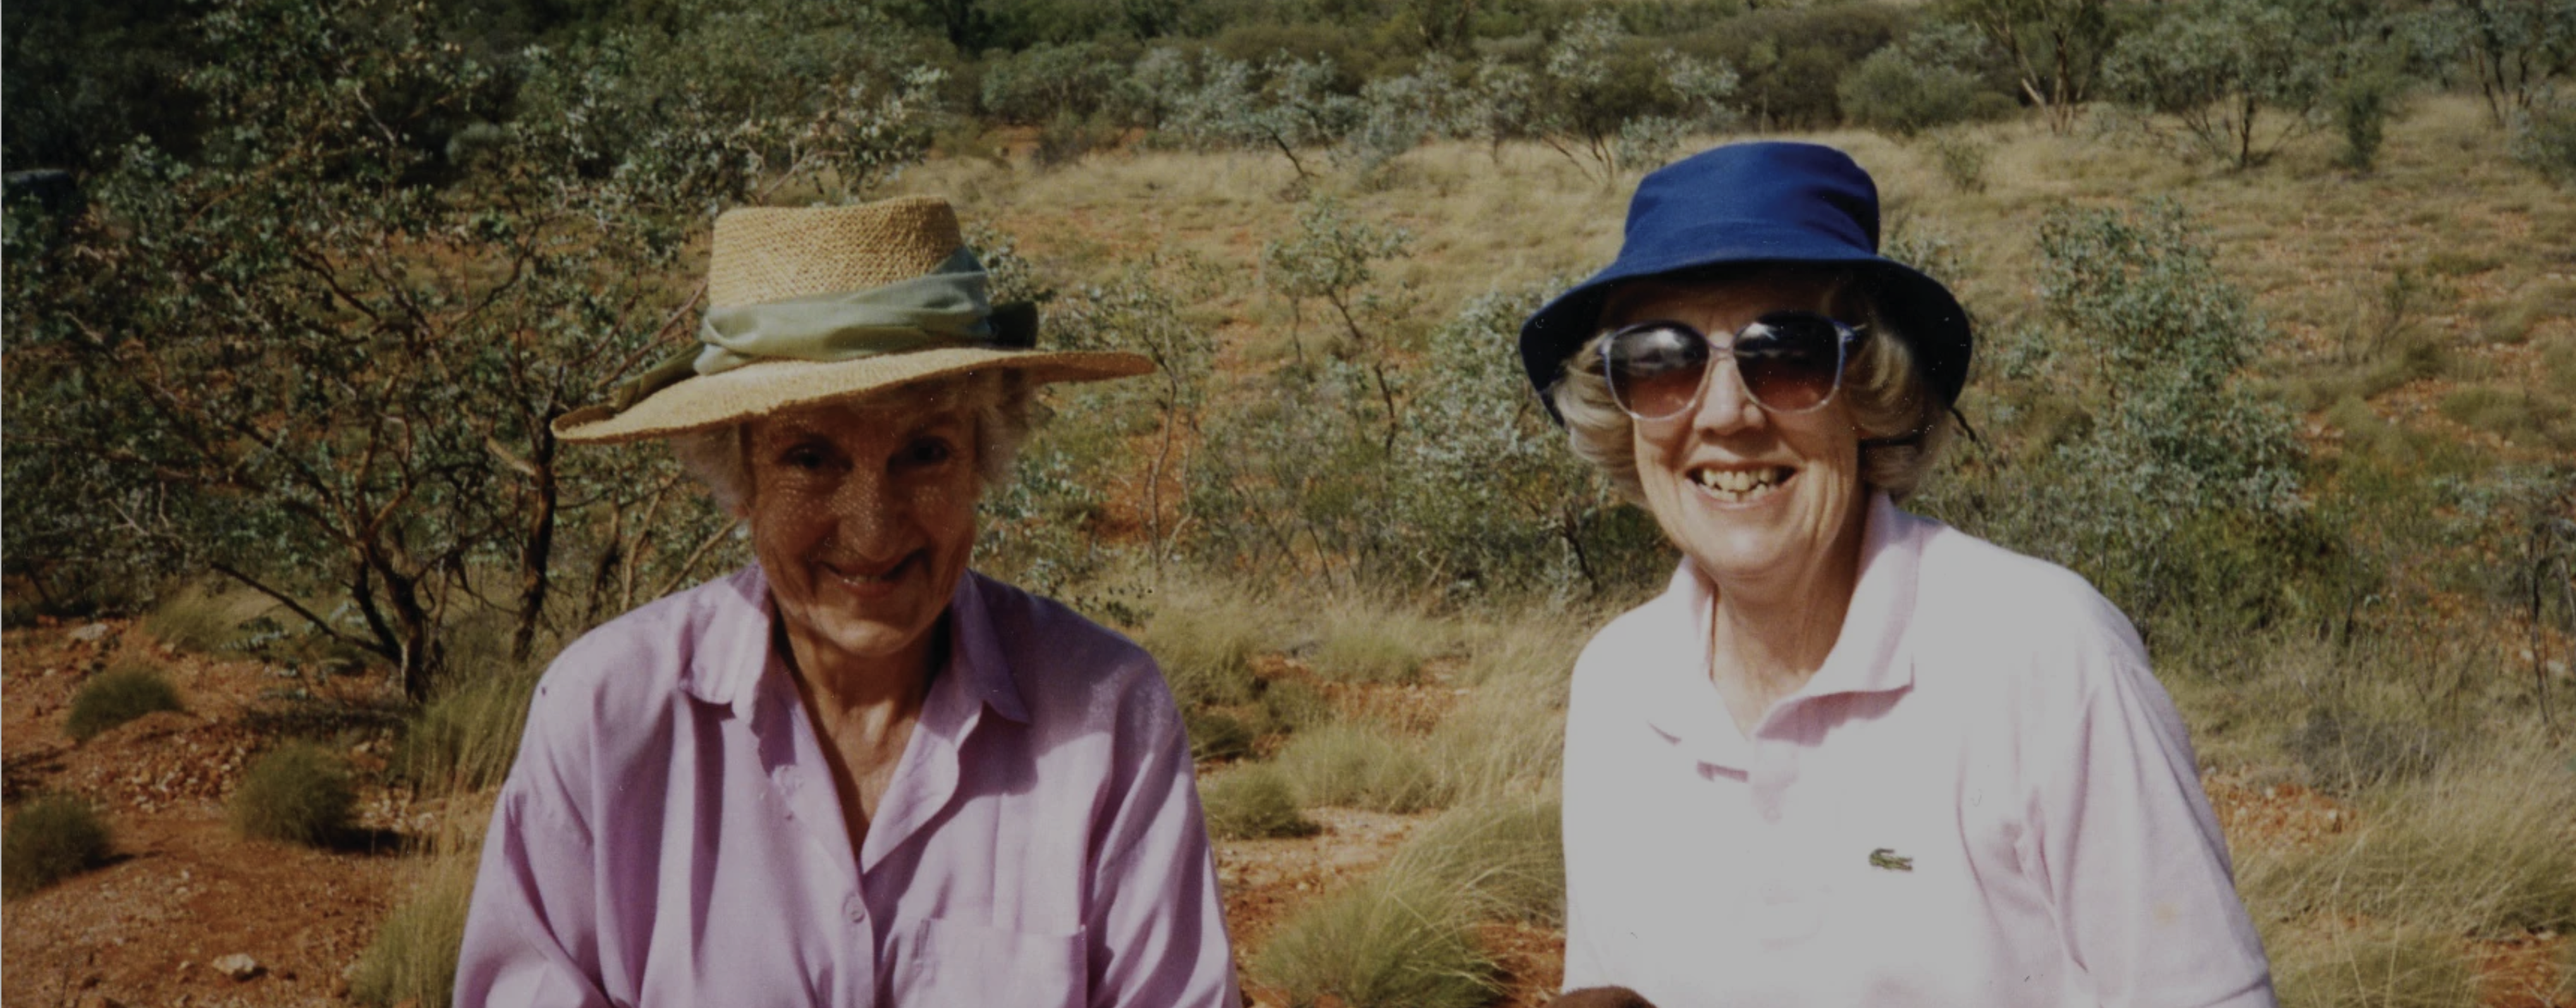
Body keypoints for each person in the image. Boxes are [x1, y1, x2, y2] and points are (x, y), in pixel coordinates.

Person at [1519, 143, 2274, 1007]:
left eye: (1790, 355)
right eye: (1661, 361)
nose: (1726, 412)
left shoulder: (2042, 654)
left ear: (1873, 394)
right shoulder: (1620, 682)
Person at [455, 196, 1238, 1006]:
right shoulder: (607, 709)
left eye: (924, 451)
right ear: (740, 477)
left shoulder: (1108, 712)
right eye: (809, 456)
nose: (873, 529)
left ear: (983, 461)